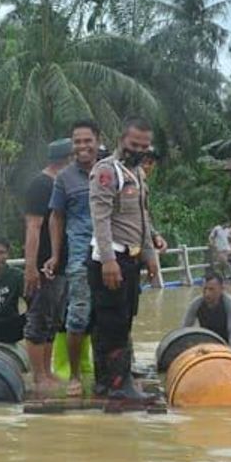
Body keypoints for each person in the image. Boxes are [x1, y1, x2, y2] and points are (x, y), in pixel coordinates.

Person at [88, 115, 162, 399]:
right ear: (122, 140)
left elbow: (142, 218)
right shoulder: (107, 172)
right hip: (111, 259)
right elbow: (101, 218)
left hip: (131, 260)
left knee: (122, 320)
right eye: (134, 144)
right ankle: (119, 385)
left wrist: (150, 256)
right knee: (112, 324)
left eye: (144, 146)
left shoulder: (138, 174)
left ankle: (108, 382)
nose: (139, 150)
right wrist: (108, 260)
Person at [43, 120, 101, 397]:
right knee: (77, 317)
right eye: (77, 142)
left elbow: (130, 211)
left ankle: (113, 372)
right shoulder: (64, 178)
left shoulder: (110, 171)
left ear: (98, 141)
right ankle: (76, 375)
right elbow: (56, 217)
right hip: (79, 256)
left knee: (115, 315)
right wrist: (55, 255)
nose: (82, 146)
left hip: (113, 253)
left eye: (87, 140)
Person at [21, 138, 73, 392]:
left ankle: (48, 372)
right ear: (67, 160)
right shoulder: (41, 185)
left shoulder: (59, 184)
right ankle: (38, 377)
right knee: (38, 321)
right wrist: (31, 267)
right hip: (43, 265)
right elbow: (33, 227)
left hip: (61, 266)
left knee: (52, 321)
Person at [181, 272, 231, 351]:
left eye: (211, 289)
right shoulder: (196, 304)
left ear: (222, 289)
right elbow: (184, 330)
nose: (207, 293)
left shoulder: (230, 304)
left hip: (227, 342)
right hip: (207, 343)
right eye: (205, 289)